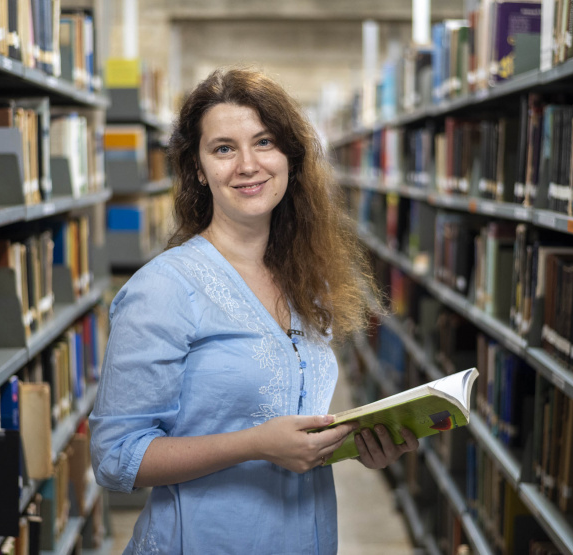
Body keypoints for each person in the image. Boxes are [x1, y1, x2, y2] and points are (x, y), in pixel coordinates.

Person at [89, 67, 420, 554]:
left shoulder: (307, 277)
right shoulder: (164, 288)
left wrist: (358, 446)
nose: (247, 164)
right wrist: (255, 444)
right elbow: (115, 458)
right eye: (224, 148)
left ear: (290, 156)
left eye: (264, 142)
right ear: (199, 169)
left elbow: (292, 427)